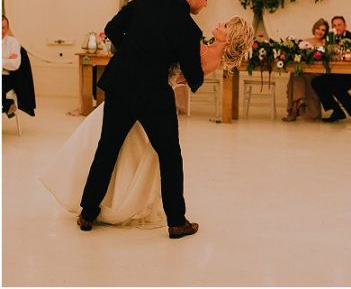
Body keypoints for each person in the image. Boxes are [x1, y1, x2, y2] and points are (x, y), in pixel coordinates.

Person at [40, 13, 254, 230]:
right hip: (148, 94)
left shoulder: (208, 56)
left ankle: (93, 207)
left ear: (230, 38)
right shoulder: (205, 50)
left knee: (109, 147)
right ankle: (109, 205)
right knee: (117, 147)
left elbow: (177, 74)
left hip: (144, 94)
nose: (219, 24)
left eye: (225, 26)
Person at [67, 0, 216, 239]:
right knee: (170, 155)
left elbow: (111, 28)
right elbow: (194, 76)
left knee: (107, 148)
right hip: (153, 94)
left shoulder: (146, 1)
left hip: (120, 84)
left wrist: (132, 52)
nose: (206, 4)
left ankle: (88, 213)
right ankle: (177, 222)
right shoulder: (189, 28)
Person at [313, 16, 351, 122]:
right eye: (334, 25)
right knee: (316, 82)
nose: (337, 27)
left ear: (345, 26)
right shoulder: (330, 39)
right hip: (337, 73)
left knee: (336, 85)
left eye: (339, 25)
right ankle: (337, 111)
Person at [284, 18, 328, 122]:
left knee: (297, 75)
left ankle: (294, 109)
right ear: (314, 29)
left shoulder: (325, 43)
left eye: (323, 30)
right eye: (318, 28)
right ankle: (299, 102)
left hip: (317, 73)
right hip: (305, 71)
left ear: (325, 32)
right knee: (296, 73)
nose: (320, 32)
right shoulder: (306, 41)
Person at [2, 15, 21, 118]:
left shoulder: (13, 42)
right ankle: (8, 105)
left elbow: (15, 64)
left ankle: (6, 105)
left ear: (7, 28)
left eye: (3, 28)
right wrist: (6, 59)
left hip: (7, 77)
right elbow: (9, 62)